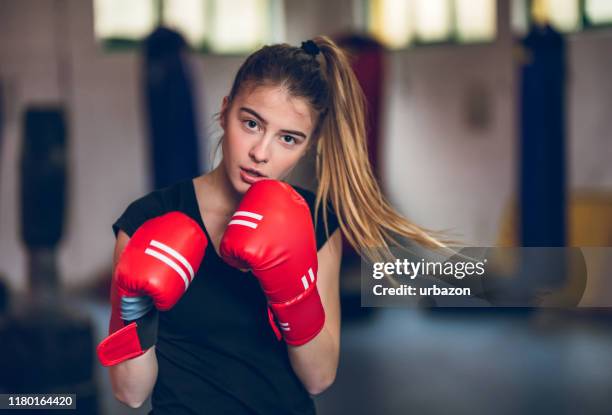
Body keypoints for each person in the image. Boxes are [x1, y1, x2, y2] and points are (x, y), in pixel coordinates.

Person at [98, 36, 447, 414]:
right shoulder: (146, 220)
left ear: (308, 144)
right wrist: (134, 307)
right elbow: (130, 392)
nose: (261, 153)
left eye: (288, 138)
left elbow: (319, 377)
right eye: (251, 123)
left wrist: (292, 295)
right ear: (224, 111)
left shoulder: (317, 221)